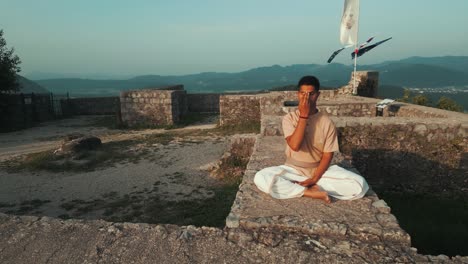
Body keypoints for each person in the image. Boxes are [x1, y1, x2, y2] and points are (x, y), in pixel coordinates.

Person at [253, 76, 369, 203]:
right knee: (261, 177)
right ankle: (308, 192)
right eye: (303, 93)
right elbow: (295, 145)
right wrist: (303, 116)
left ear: (317, 95)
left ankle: (304, 187)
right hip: (293, 170)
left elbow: (327, 155)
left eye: (311, 94)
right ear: (298, 94)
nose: (306, 97)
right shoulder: (289, 118)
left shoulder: (326, 122)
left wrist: (314, 179)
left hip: (318, 172)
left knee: (360, 185)